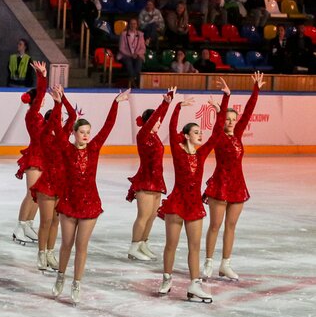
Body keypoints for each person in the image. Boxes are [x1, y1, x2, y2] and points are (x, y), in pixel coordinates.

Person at [53, 88, 130, 303]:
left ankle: (77, 282)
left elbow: (108, 127)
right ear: (74, 133)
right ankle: (61, 276)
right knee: (67, 244)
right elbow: (57, 131)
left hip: (89, 204)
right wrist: (59, 103)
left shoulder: (94, 148)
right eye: (82, 131)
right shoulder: (67, 149)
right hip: (69, 202)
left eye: (88, 131)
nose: (86, 135)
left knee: (82, 246)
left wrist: (116, 103)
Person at [157, 80, 230, 302]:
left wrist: (225, 101)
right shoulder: (179, 153)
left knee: (195, 246)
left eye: (200, 132)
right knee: (171, 244)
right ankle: (167, 278)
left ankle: (194, 284)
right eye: (196, 132)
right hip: (177, 203)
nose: (201, 135)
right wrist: (176, 106)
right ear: (187, 135)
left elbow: (217, 133)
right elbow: (171, 128)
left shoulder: (201, 154)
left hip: (194, 204)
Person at [203, 72, 263, 281]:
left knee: (231, 226)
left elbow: (248, 112)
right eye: (227, 119)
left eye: (232, 119)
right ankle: (209, 262)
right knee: (215, 226)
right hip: (220, 185)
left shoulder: (237, 134)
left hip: (238, 185)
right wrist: (226, 97)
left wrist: (256, 89)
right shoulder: (217, 136)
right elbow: (219, 122)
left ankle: (225, 264)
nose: (229, 122)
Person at [126, 89, 174, 262]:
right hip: (145, 180)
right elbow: (154, 119)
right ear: (149, 122)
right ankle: (134, 247)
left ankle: (143, 243)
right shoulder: (143, 135)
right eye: (157, 120)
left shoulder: (154, 137)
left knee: (152, 215)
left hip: (156, 180)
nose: (159, 123)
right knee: (143, 215)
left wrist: (167, 104)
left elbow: (158, 119)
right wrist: (165, 105)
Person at [32, 84, 77, 271]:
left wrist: (63, 98)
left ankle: (50, 253)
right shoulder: (44, 135)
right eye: (57, 120)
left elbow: (73, 116)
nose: (60, 122)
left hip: (61, 184)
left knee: (56, 222)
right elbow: (53, 123)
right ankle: (41, 254)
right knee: (46, 221)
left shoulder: (64, 135)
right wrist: (57, 105)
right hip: (47, 184)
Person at [13, 62, 47, 244]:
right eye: (41, 98)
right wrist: (42, 76)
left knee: (39, 196)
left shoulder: (39, 115)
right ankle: (19, 227)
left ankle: (28, 224)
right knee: (31, 193)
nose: (44, 99)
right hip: (34, 157)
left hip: (42, 157)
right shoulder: (33, 114)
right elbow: (41, 92)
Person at [118, 18, 146, 88]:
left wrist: (137, 54)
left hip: (137, 55)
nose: (133, 25)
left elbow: (143, 48)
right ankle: (134, 81)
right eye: (131, 24)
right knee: (128, 61)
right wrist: (130, 54)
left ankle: (134, 80)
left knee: (139, 61)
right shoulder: (124, 34)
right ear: (129, 25)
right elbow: (121, 48)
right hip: (126, 55)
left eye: (134, 24)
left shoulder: (140, 34)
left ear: (137, 25)